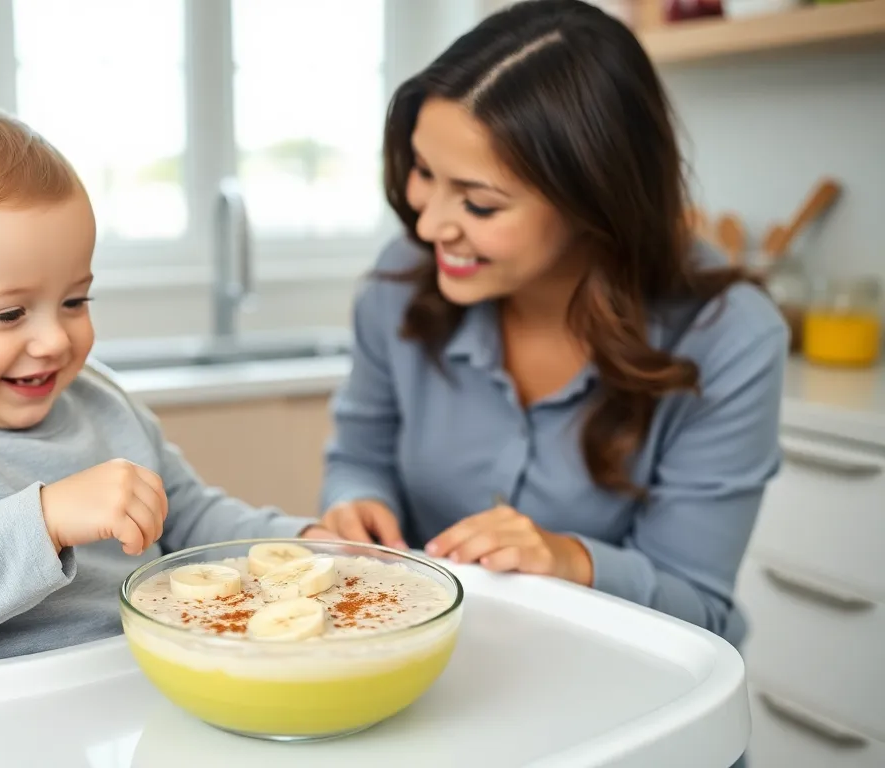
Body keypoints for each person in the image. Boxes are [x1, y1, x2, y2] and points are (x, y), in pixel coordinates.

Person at [315, 0, 787, 650]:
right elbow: (359, 457)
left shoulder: (728, 337)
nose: (427, 226)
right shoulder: (403, 281)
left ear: (594, 200)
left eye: (479, 203)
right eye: (425, 172)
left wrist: (567, 559)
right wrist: (356, 501)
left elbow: (699, 609)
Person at [0, 94, 322, 669]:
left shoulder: (103, 407)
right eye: (8, 313)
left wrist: (305, 539)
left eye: (75, 299)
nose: (55, 340)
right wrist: (46, 519)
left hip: (145, 682)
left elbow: (193, 518)